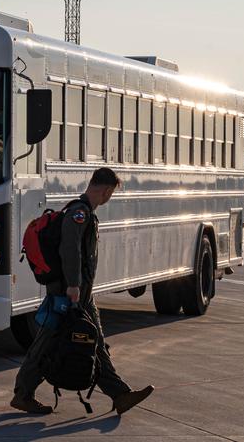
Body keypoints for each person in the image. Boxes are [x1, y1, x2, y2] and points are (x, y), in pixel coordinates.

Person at [11, 167, 154, 414]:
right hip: (69, 292)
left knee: (93, 341)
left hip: (80, 293)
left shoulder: (83, 212)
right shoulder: (79, 213)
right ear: (106, 190)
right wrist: (73, 285)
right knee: (48, 341)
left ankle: (120, 394)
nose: (109, 198)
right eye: (111, 193)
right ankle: (23, 394)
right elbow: (70, 250)